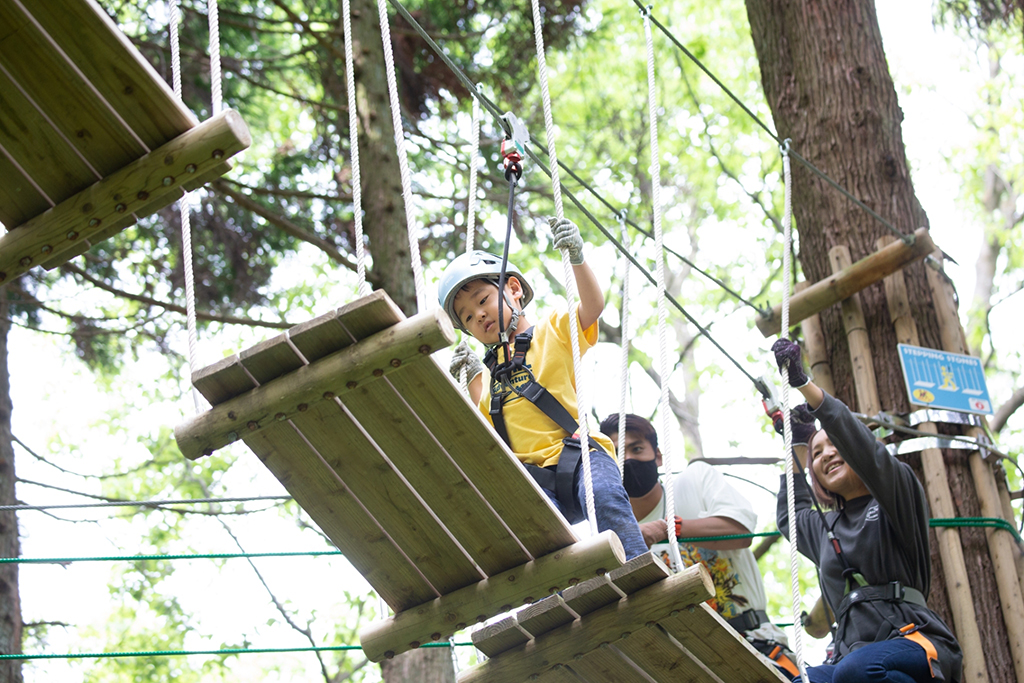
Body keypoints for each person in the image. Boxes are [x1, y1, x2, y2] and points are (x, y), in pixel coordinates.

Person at [440, 217, 648, 560]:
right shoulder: (492, 379)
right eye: (467, 317)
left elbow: (592, 308)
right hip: (531, 480)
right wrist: (474, 375)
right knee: (532, 539)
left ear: (514, 289)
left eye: (482, 300)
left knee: (605, 497)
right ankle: (565, 588)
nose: (478, 315)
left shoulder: (552, 330)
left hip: (580, 456)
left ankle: (637, 565)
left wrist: (577, 259)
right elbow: (489, 429)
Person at [772, 338, 963, 683]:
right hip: (851, 656)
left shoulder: (897, 496)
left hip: (912, 639)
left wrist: (806, 387)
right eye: (817, 454)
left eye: (834, 444)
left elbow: (867, 452)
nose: (826, 454)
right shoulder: (827, 527)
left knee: (856, 671)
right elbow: (791, 516)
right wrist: (798, 440)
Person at [598, 412, 799, 679]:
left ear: (658, 456)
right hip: (682, 666)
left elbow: (740, 530)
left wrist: (666, 529)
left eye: (636, 449)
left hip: (754, 644)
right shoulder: (610, 537)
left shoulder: (694, 480)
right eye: (617, 454)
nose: (628, 461)